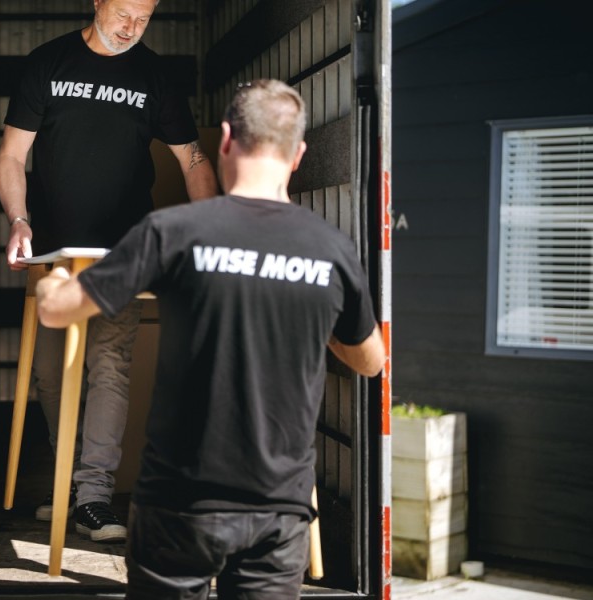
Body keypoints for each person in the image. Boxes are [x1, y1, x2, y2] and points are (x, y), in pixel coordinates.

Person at [34, 79, 385, 598]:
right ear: (299, 155)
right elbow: (370, 361)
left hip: (180, 502)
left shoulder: (173, 231)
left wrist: (53, 283)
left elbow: (59, 312)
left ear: (225, 140)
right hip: (278, 509)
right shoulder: (331, 249)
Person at [0, 0, 218, 542]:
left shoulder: (154, 75)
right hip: (53, 256)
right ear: (97, 2)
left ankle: (94, 497)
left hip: (125, 253)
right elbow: (10, 156)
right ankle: (73, 483)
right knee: (52, 374)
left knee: (110, 365)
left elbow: (192, 160)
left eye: (144, 19)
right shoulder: (48, 64)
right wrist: (19, 221)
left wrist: (209, 233)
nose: (131, 28)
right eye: (123, 14)